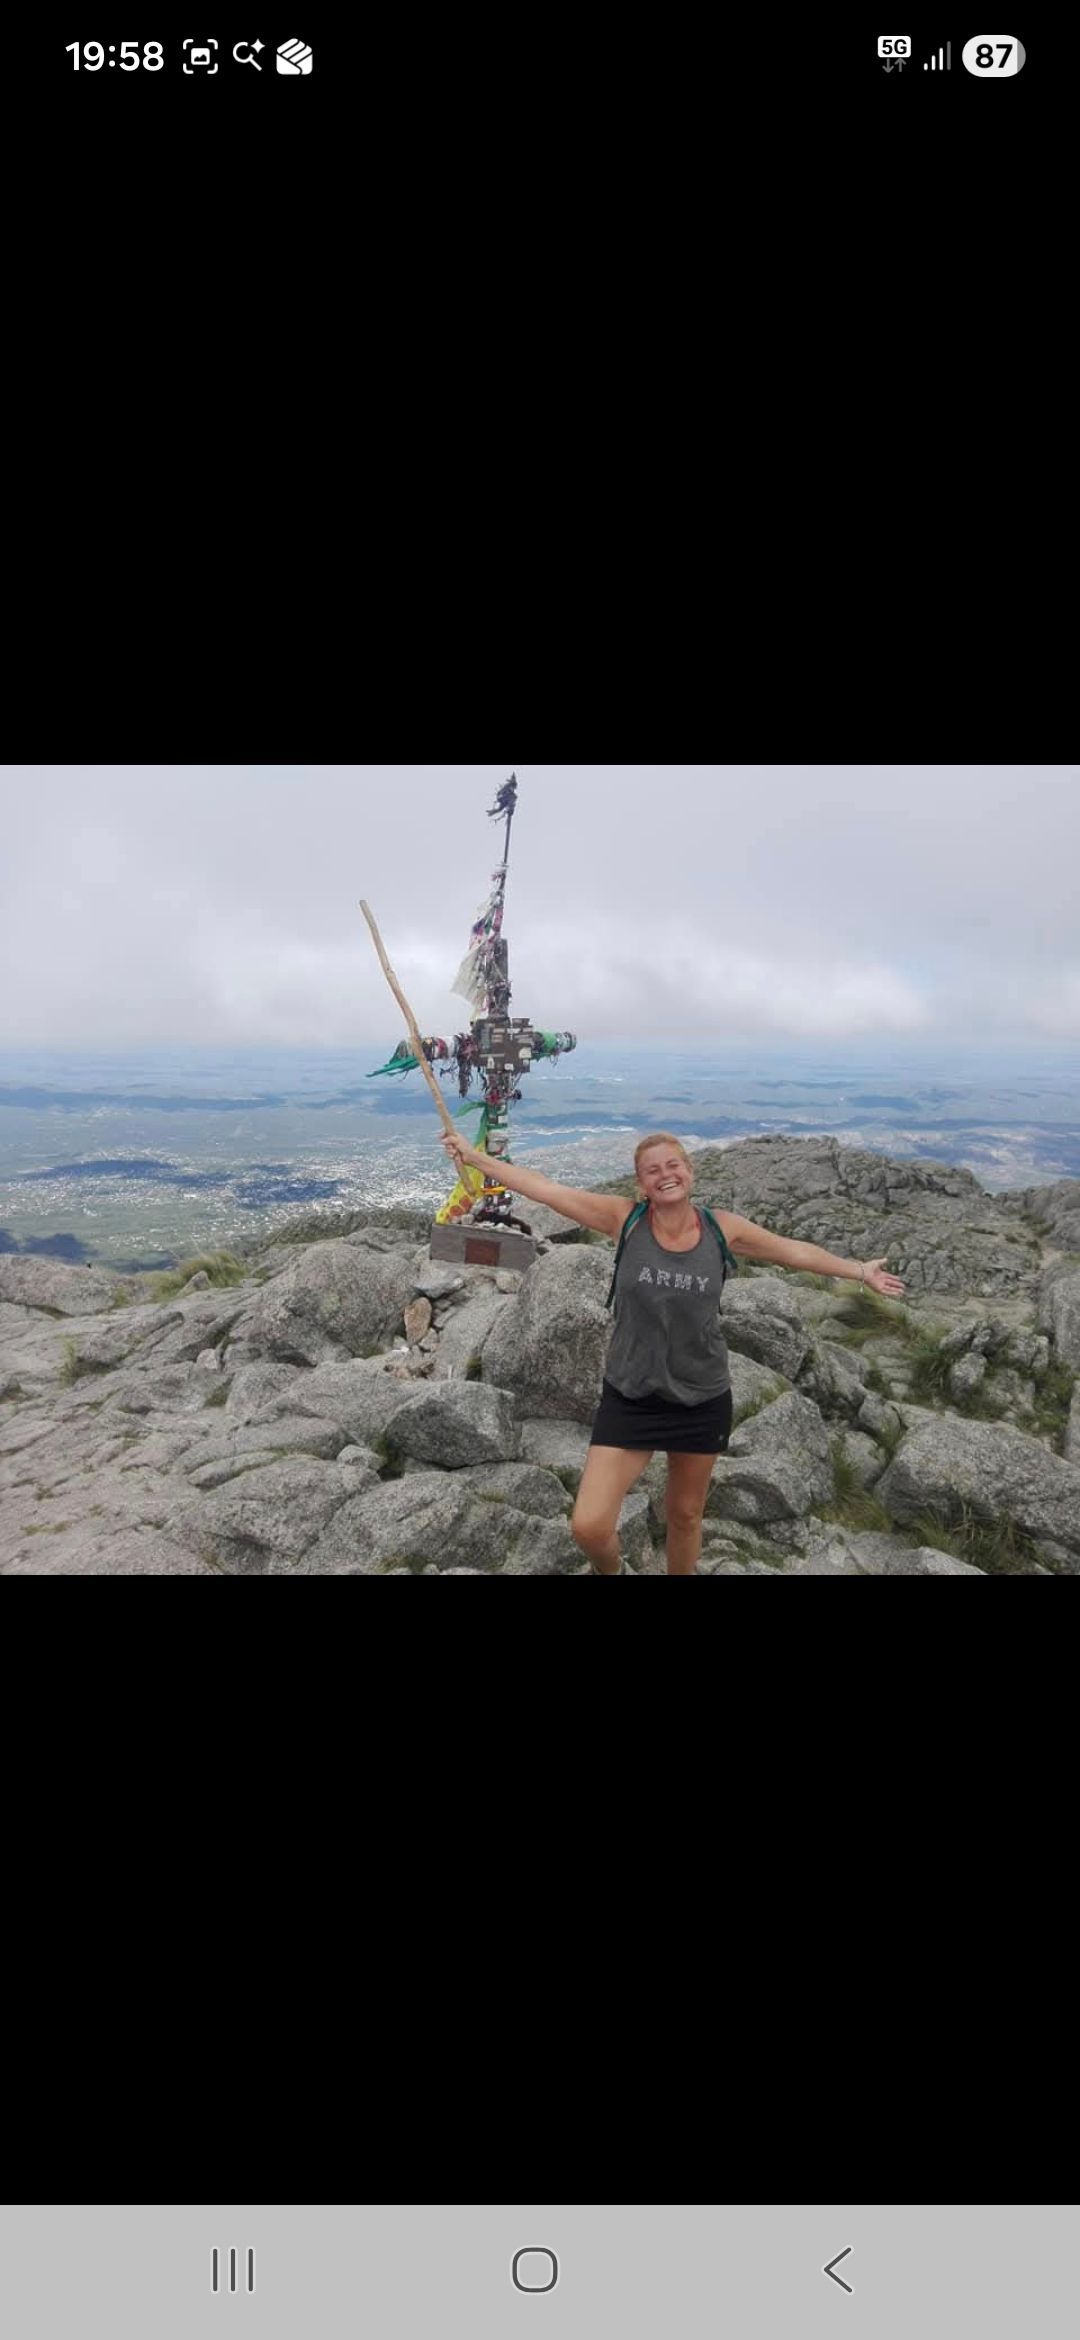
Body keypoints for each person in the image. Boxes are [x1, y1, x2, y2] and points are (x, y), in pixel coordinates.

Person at [439, 1128, 906, 1576]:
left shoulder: (722, 1230)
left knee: (685, 1516)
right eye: (651, 1170)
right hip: (631, 1394)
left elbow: (793, 1252)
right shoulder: (626, 1221)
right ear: (640, 1183)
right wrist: (475, 1157)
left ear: (689, 1171)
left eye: (672, 1164)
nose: (664, 1174)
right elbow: (545, 1190)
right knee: (590, 1525)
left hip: (701, 1397)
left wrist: (858, 1270)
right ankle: (608, 1568)